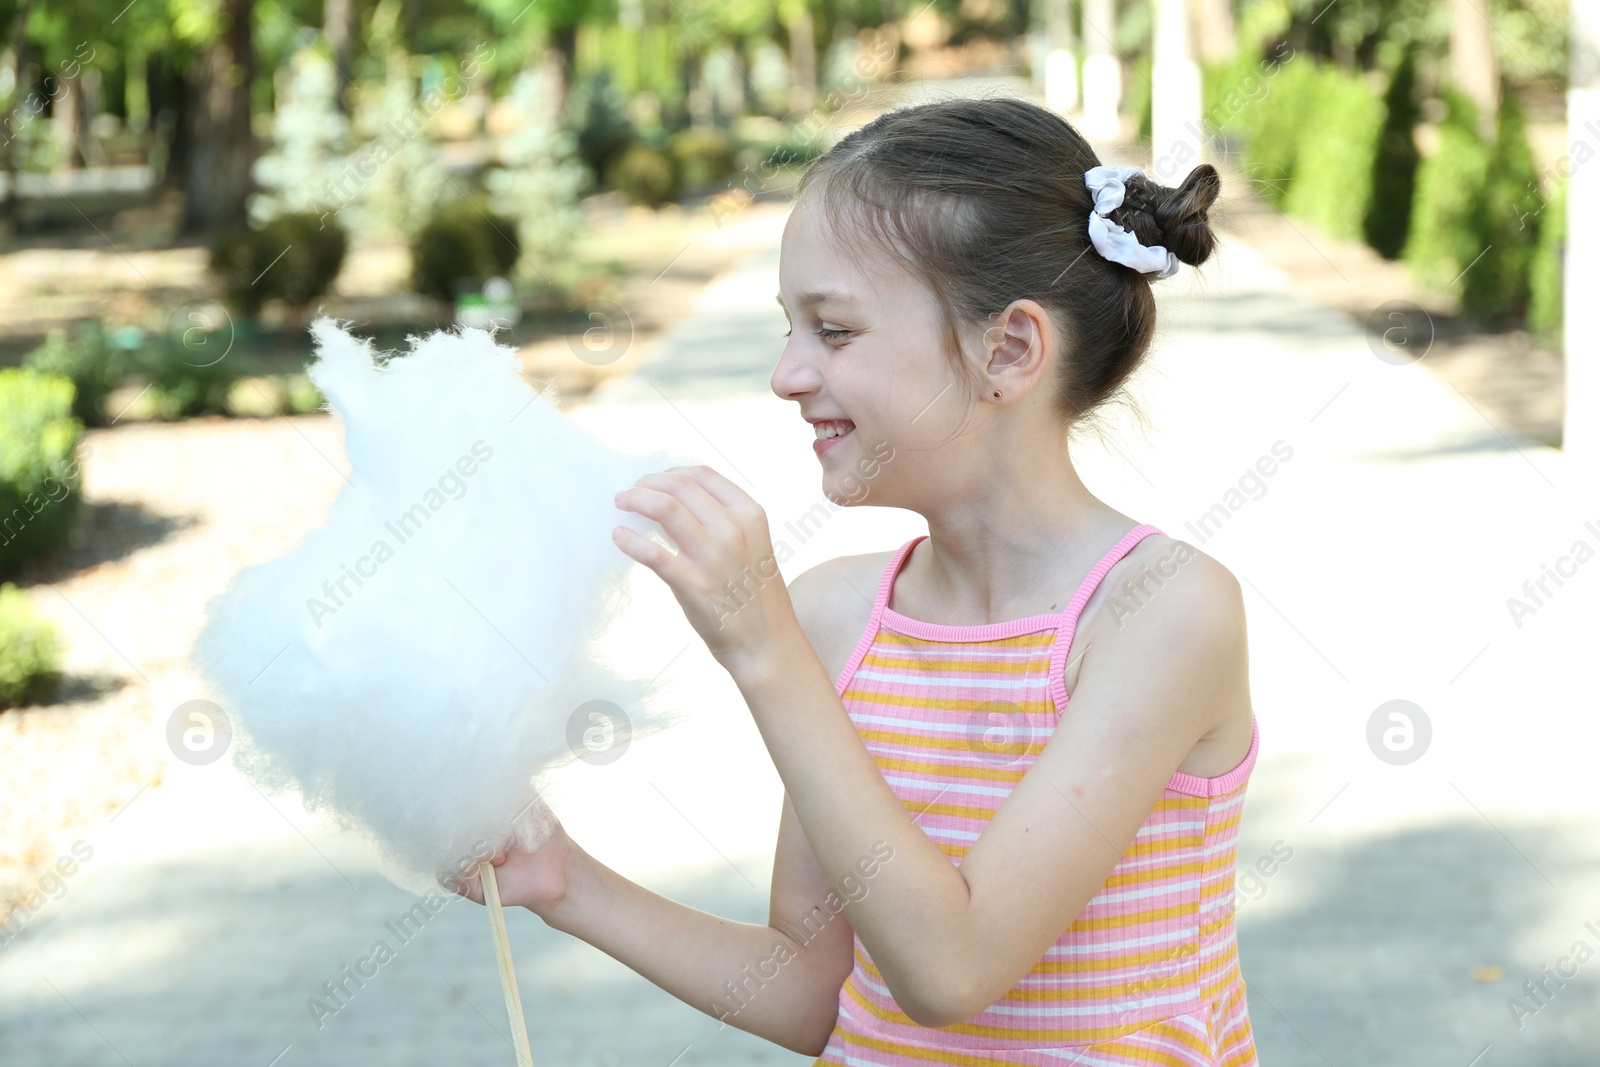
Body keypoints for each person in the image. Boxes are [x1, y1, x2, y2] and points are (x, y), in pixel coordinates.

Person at [457, 96, 1259, 1066]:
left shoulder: (1162, 612)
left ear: (1005, 350)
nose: (786, 374)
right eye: (790, 328)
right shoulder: (840, 615)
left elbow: (952, 969)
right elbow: (810, 989)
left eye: (832, 331)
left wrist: (762, 648)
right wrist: (563, 880)